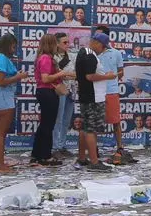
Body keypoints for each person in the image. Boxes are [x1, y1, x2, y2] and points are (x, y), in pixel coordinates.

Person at [0, 33, 27, 173]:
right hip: (2, 94)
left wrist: (16, 75)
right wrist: (19, 76)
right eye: (13, 46)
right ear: (8, 45)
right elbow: (1, 81)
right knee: (0, 131)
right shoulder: (1, 58)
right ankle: (1, 165)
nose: (14, 50)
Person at [72, 31, 113, 172]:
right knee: (91, 129)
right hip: (92, 97)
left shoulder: (85, 52)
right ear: (97, 43)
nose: (103, 50)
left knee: (85, 128)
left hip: (89, 96)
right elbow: (89, 76)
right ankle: (94, 162)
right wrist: (107, 77)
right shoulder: (90, 55)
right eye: (103, 47)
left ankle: (82, 158)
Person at [94, 29, 132, 165]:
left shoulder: (116, 53)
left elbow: (121, 71)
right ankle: (94, 149)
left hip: (111, 91)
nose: (95, 39)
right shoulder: (92, 54)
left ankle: (120, 147)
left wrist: (114, 76)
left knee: (116, 121)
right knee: (96, 122)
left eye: (98, 36)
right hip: (97, 91)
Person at [31, 33, 64, 166]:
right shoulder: (45, 58)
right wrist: (61, 73)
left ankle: (37, 153)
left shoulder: (45, 57)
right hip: (47, 91)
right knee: (48, 125)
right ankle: (45, 155)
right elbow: (45, 78)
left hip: (45, 91)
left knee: (45, 124)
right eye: (55, 43)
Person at [53, 33, 75, 159]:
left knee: (66, 120)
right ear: (57, 43)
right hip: (58, 90)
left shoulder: (72, 56)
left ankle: (62, 145)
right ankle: (55, 146)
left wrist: (66, 74)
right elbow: (56, 74)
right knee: (58, 119)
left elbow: (77, 73)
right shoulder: (52, 57)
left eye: (68, 42)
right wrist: (66, 74)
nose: (68, 44)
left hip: (71, 90)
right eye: (65, 42)